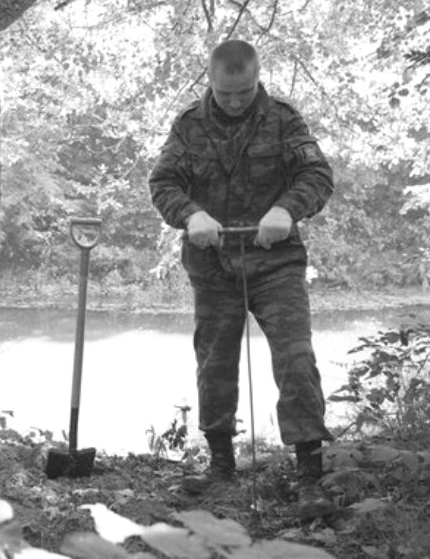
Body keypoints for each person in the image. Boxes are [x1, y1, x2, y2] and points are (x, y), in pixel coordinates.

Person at [148, 39, 336, 519]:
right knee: (214, 362)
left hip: (276, 263)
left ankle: (310, 475)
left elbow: (317, 175)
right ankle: (220, 467)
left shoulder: (284, 120)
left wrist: (286, 209)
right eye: (225, 93)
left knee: (296, 358)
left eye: (244, 92)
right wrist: (191, 215)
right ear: (211, 81)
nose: (234, 102)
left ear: (257, 79)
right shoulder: (188, 125)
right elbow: (163, 183)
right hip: (213, 266)